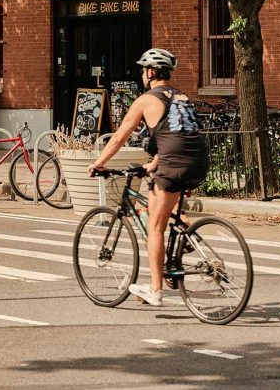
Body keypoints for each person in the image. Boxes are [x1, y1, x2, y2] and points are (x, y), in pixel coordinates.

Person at [88, 48, 208, 307]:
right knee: (167, 210)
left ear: (151, 72)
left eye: (144, 70)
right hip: (198, 162)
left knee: (155, 227)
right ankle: (181, 250)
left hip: (173, 164)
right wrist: (153, 164)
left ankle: (155, 290)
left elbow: (119, 136)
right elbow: (177, 135)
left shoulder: (146, 99)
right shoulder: (183, 97)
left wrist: (98, 164)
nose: (143, 74)